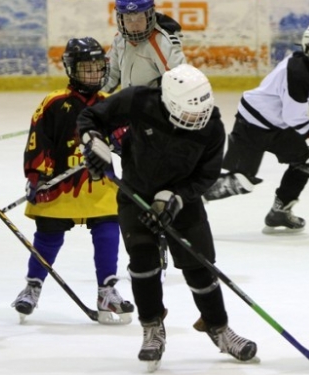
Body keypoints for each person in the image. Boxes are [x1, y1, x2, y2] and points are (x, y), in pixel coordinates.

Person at [76, 63, 257, 370]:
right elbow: (91, 116)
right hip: (137, 194)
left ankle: (219, 329)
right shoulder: (140, 100)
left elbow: (208, 175)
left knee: (200, 265)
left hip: (182, 199)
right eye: (188, 115)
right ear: (168, 102)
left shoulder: (211, 126)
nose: (196, 120)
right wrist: (93, 141)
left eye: (200, 114)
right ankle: (152, 328)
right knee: (143, 264)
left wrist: (175, 197)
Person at [11, 37, 134, 325]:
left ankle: (107, 290)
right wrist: (36, 176)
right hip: (58, 185)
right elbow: (37, 141)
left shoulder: (109, 104)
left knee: (108, 229)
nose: (93, 74)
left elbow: (123, 140)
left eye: (97, 68)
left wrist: (122, 143)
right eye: (86, 69)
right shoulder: (54, 103)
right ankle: (32, 286)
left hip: (99, 183)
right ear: (71, 69)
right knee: (48, 236)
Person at [202, 23, 309, 233]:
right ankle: (192, 196)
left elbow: (291, 95)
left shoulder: (302, 63)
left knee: (308, 158)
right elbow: (293, 117)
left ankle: (280, 211)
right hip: (252, 126)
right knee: (242, 182)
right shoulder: (299, 72)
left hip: (276, 126)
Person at [103, 0, 186, 92]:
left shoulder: (163, 42)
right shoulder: (119, 39)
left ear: (149, 16)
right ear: (120, 19)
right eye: (128, 19)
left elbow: (179, 81)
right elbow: (110, 76)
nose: (134, 25)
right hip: (129, 102)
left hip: (154, 104)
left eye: (140, 18)